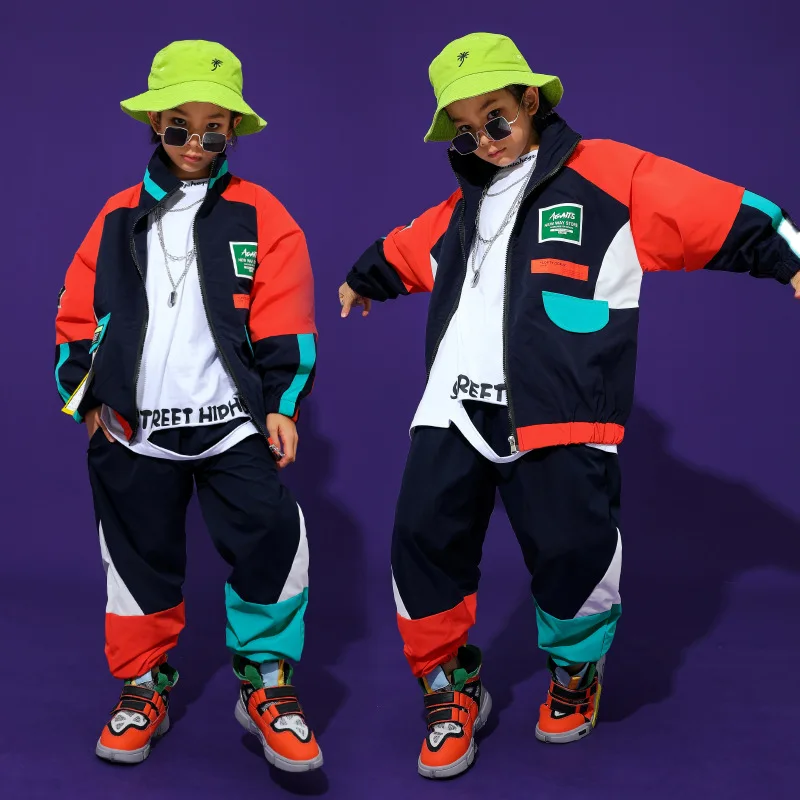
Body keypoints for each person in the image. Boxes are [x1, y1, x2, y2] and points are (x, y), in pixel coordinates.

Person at [339, 31, 800, 779]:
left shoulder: (611, 173)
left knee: (574, 550)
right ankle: (449, 687)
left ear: (531, 100)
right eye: (465, 131)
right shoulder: (465, 204)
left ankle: (576, 672)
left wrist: (789, 257)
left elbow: (717, 210)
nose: (485, 141)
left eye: (496, 118)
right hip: (454, 404)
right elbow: (412, 247)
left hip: (560, 408)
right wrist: (367, 276)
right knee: (421, 541)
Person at [54, 40, 322, 772]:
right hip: (133, 429)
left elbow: (287, 317)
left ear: (233, 130)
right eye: (180, 127)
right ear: (155, 124)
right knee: (136, 562)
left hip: (230, 424)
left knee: (272, 537)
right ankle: (144, 687)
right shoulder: (117, 218)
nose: (196, 143)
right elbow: (76, 317)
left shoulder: (263, 215)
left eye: (214, 129)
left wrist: (282, 403)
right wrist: (86, 399)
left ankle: (267, 682)